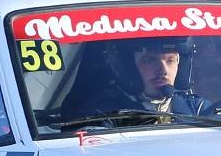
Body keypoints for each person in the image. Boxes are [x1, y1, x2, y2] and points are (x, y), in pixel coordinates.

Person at [78, 38, 212, 117]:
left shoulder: (198, 110)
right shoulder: (104, 116)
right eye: (149, 61)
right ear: (129, 68)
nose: (163, 70)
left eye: (170, 61)